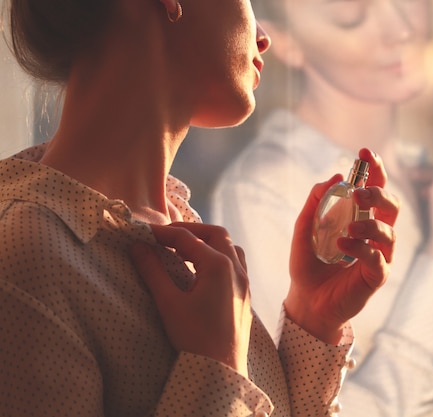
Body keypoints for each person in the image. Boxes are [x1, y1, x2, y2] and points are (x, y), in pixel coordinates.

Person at [0, 0, 400, 416]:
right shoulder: (23, 257)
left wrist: (315, 319)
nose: (262, 34)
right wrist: (215, 373)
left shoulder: (176, 235)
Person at [210, 0, 433, 415]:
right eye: (351, 13)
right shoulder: (267, 192)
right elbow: (288, 407)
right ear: (285, 41)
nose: (400, 29)